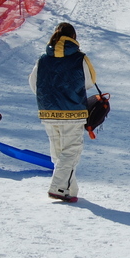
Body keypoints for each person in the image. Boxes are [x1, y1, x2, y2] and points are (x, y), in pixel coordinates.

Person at [29, 22, 97, 203]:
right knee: (71, 151)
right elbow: (90, 81)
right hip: (73, 112)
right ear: (73, 38)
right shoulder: (80, 58)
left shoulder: (43, 59)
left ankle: (69, 190)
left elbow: (34, 83)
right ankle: (58, 188)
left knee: (58, 153)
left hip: (48, 111)